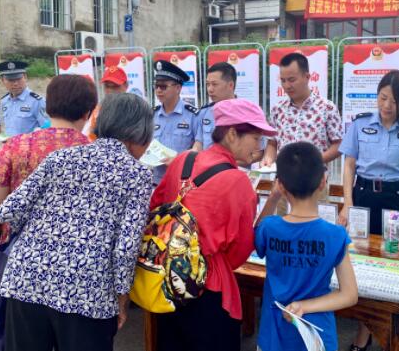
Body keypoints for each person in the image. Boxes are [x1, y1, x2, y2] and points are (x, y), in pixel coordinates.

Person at [0, 93, 154, 351]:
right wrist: (122, 296)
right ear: (141, 133)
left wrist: (43, 233)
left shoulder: (59, 158)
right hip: (87, 291)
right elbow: (125, 248)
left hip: (26, 279)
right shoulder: (137, 175)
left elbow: (7, 210)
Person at [150, 98, 276, 351]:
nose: (259, 147)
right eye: (255, 138)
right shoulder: (238, 182)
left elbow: (155, 207)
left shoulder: (183, 160)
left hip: (167, 281)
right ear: (232, 134)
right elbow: (239, 254)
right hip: (209, 289)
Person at [337, 70, 399, 351]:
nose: (387, 105)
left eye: (395, 101)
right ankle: (364, 332)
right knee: (361, 264)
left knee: (396, 264)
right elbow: (349, 166)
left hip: (397, 202)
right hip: (363, 199)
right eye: (383, 97)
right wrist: (348, 203)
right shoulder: (360, 124)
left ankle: (393, 331)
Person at [0, 74, 97, 266]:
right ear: (88, 113)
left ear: (49, 107)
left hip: (18, 257)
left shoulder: (16, 146)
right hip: (76, 258)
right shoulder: (96, 154)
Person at [255, 142, 358, 351]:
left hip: (274, 336)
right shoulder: (335, 235)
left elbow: (256, 232)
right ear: (323, 182)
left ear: (281, 185)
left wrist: (273, 197)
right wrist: (305, 306)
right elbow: (349, 295)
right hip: (317, 336)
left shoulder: (269, 227)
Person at [262, 53, 343, 167]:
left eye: (291, 80)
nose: (287, 86)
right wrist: (268, 159)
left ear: (307, 77)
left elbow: (339, 145)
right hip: (283, 176)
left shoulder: (327, 108)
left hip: (315, 176)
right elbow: (272, 142)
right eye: (283, 80)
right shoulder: (277, 109)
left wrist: (314, 161)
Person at [152, 60, 199, 184]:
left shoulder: (193, 116)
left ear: (178, 88)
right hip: (156, 182)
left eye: (163, 86)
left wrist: (179, 161)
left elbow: (200, 149)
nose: (158, 90)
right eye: (156, 86)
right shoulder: (151, 115)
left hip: (181, 182)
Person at [0, 60, 49, 136]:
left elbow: (47, 130)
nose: (15, 84)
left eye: (18, 79)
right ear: (2, 81)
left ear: (25, 77)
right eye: (11, 80)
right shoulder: (4, 101)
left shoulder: (38, 101)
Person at [193, 62, 237, 151]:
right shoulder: (204, 112)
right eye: (208, 84)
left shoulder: (246, 112)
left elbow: (257, 152)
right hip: (206, 159)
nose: (210, 89)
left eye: (214, 84)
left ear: (230, 85)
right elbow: (199, 143)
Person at [86, 66, 128, 141]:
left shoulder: (135, 108)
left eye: (115, 86)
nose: (110, 90)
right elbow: (91, 135)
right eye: (107, 86)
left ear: (126, 85)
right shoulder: (98, 110)